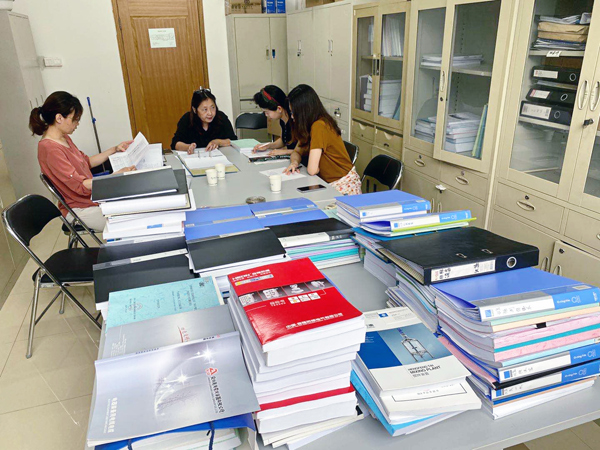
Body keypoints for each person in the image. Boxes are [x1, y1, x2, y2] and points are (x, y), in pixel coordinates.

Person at [30, 91, 135, 232]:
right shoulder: (50, 149)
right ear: (59, 118)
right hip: (79, 208)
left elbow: (86, 162)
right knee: (130, 223)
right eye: (75, 119)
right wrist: (114, 176)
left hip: (92, 198)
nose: (77, 123)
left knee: (134, 205)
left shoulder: (64, 138)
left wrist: (115, 149)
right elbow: (80, 185)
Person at [284, 85, 362, 195]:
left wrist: (314, 166)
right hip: (326, 182)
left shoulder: (319, 126)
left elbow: (312, 170)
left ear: (303, 112)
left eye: (294, 113)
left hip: (343, 184)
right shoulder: (309, 126)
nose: (292, 117)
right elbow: (296, 152)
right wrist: (294, 163)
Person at [171, 88, 237, 154]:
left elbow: (233, 140)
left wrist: (218, 142)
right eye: (205, 109)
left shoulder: (221, 117)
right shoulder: (187, 119)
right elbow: (175, 144)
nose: (210, 113)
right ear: (194, 110)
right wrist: (188, 147)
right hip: (195, 158)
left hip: (219, 157)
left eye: (212, 107)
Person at [252, 85, 296, 156]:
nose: (266, 115)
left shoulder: (295, 120)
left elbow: (305, 150)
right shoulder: (282, 120)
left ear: (279, 109)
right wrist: (268, 145)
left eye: (267, 112)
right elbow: (284, 140)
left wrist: (286, 151)